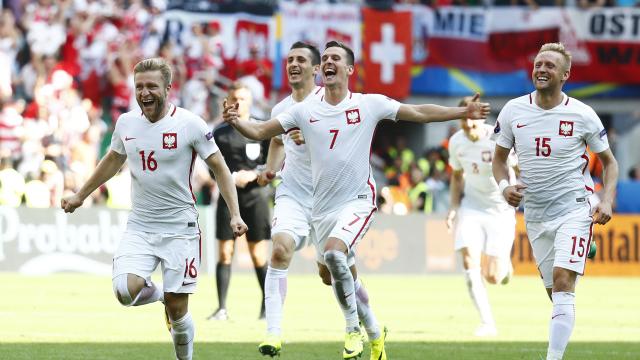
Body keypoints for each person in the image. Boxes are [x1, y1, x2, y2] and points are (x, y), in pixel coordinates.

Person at [222, 40, 490, 360]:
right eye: (326, 58)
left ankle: (351, 330)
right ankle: (374, 330)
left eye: (336, 58)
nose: (329, 62)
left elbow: (418, 111)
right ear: (321, 70)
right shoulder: (302, 111)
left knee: (335, 256)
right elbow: (262, 131)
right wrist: (237, 121)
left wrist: (463, 111)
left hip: (357, 199)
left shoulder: (369, 104)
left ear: (349, 69)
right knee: (332, 271)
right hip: (320, 205)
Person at [61, 58, 247, 360]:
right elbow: (113, 159)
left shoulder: (190, 124)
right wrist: (81, 194)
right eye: (139, 87)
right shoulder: (126, 123)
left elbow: (220, 168)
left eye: (151, 86)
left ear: (168, 89)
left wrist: (235, 214)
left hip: (181, 230)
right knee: (124, 290)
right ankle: (160, 294)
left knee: (178, 310)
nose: (145, 93)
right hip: (141, 226)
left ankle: (184, 356)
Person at [255, 41, 386, 359]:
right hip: (294, 194)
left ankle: (372, 329)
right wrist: (271, 170)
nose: (293, 65)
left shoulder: (328, 102)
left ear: (317, 70)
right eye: (290, 60)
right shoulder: (281, 109)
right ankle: (273, 333)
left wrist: (313, 135)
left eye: (301, 59)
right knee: (281, 248)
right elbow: (275, 140)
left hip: (333, 199)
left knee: (331, 274)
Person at [492, 43, 618, 360]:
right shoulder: (513, 111)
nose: (541, 69)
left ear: (565, 75)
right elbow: (498, 159)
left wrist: (606, 200)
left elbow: (610, 163)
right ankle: (581, 248)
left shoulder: (582, 114)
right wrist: (505, 186)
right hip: (535, 215)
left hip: (575, 208)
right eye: (538, 64)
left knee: (563, 282)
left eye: (549, 65)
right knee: (555, 293)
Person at [446, 95, 517, 337]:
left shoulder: (497, 138)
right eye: (464, 121)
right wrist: (454, 207)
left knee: (494, 277)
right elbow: (457, 176)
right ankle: (487, 323)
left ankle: (505, 268)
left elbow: (517, 168)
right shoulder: (456, 142)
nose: (469, 126)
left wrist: (515, 190)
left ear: (481, 118)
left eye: (473, 121)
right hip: (472, 207)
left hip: (500, 210)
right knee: (468, 262)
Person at [207, 81, 271, 321]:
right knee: (225, 252)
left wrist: (255, 174)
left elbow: (273, 161)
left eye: (243, 99)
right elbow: (211, 164)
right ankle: (222, 308)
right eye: (234, 98)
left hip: (256, 196)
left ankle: (266, 308)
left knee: (258, 254)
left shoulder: (261, 129)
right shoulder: (220, 132)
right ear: (228, 100)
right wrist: (228, 177)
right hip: (227, 196)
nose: (238, 103)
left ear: (250, 101)